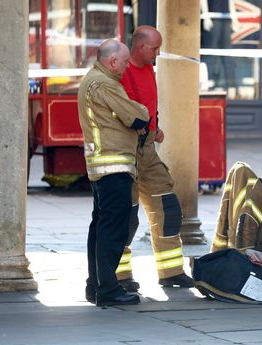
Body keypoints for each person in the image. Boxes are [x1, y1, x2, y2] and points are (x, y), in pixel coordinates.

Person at [117, 26, 194, 290]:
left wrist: (155, 126)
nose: (158, 53)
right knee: (125, 215)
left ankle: (171, 271)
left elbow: (148, 105)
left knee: (167, 206)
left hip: (147, 148)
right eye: (154, 48)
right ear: (140, 47)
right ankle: (119, 276)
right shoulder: (121, 70)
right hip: (126, 150)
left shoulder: (149, 67)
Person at [78, 39, 149, 306]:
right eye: (125, 61)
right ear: (112, 61)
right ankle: (107, 290)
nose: (127, 66)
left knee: (100, 227)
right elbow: (137, 116)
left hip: (102, 166)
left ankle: (95, 287)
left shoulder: (92, 79)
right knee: (112, 230)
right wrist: (140, 113)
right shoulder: (105, 84)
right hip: (114, 166)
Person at [210, 161, 262, 253]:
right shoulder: (259, 198)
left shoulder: (244, 181)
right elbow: (247, 229)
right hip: (240, 255)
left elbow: (223, 219)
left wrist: (215, 253)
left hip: (230, 253)